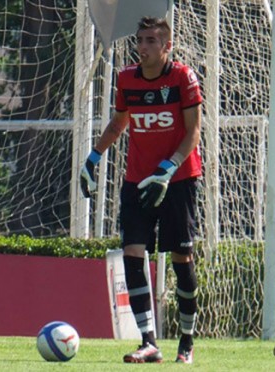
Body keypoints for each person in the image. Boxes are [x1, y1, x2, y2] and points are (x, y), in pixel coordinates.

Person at [80, 16, 203, 364]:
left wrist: (168, 168)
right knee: (133, 252)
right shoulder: (126, 79)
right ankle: (148, 342)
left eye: (151, 40)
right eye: (140, 40)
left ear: (167, 46)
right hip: (137, 181)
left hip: (178, 181)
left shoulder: (182, 78)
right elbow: (120, 121)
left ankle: (186, 341)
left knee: (181, 259)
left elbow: (193, 132)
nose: (143, 46)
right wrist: (93, 157)